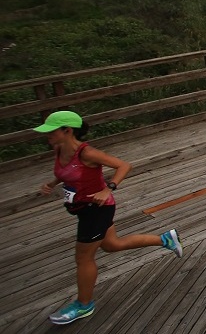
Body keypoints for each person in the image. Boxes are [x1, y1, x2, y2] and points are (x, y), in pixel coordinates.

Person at [35, 111, 183, 325]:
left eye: (51, 130)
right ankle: (165, 240)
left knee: (83, 258)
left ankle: (83, 304)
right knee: (113, 245)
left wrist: (108, 189)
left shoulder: (88, 153)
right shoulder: (59, 149)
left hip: (97, 210)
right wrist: (51, 183)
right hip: (82, 209)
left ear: (67, 130)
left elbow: (124, 165)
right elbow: (65, 171)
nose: (46, 135)